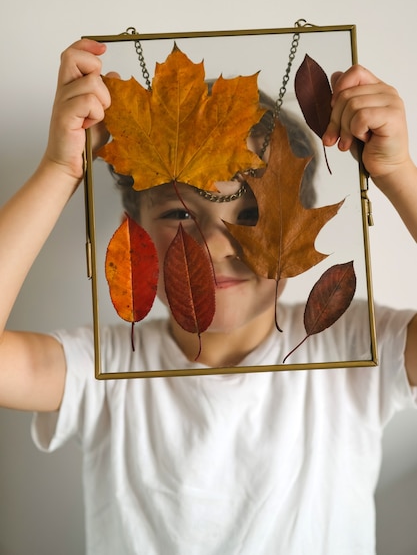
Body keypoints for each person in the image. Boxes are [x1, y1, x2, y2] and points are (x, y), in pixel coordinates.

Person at [0, 38, 416, 554]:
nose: (216, 248)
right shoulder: (105, 371)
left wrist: (397, 174)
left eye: (251, 216)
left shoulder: (354, 351)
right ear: (137, 231)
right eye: (180, 213)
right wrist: (60, 172)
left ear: (300, 231)